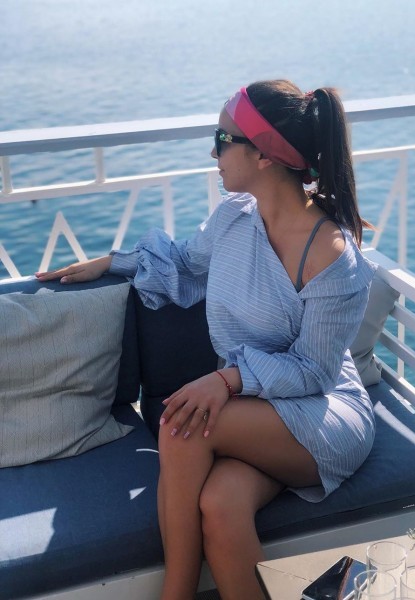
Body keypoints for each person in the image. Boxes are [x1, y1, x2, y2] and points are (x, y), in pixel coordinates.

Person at [36, 80, 377, 600]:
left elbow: (315, 371)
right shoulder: (234, 218)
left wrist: (226, 380)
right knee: (220, 507)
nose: (212, 153)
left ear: (264, 155)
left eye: (222, 139)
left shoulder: (331, 255)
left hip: (323, 411)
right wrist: (111, 263)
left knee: (179, 427)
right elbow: (183, 263)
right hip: (258, 409)